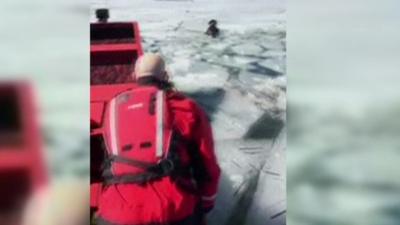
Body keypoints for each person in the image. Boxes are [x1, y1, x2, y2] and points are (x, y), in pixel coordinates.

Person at [95, 53, 221, 225]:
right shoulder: (186, 107)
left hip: (115, 214)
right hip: (172, 210)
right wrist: (206, 204)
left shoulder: (112, 108)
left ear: (134, 76)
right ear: (165, 76)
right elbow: (207, 165)